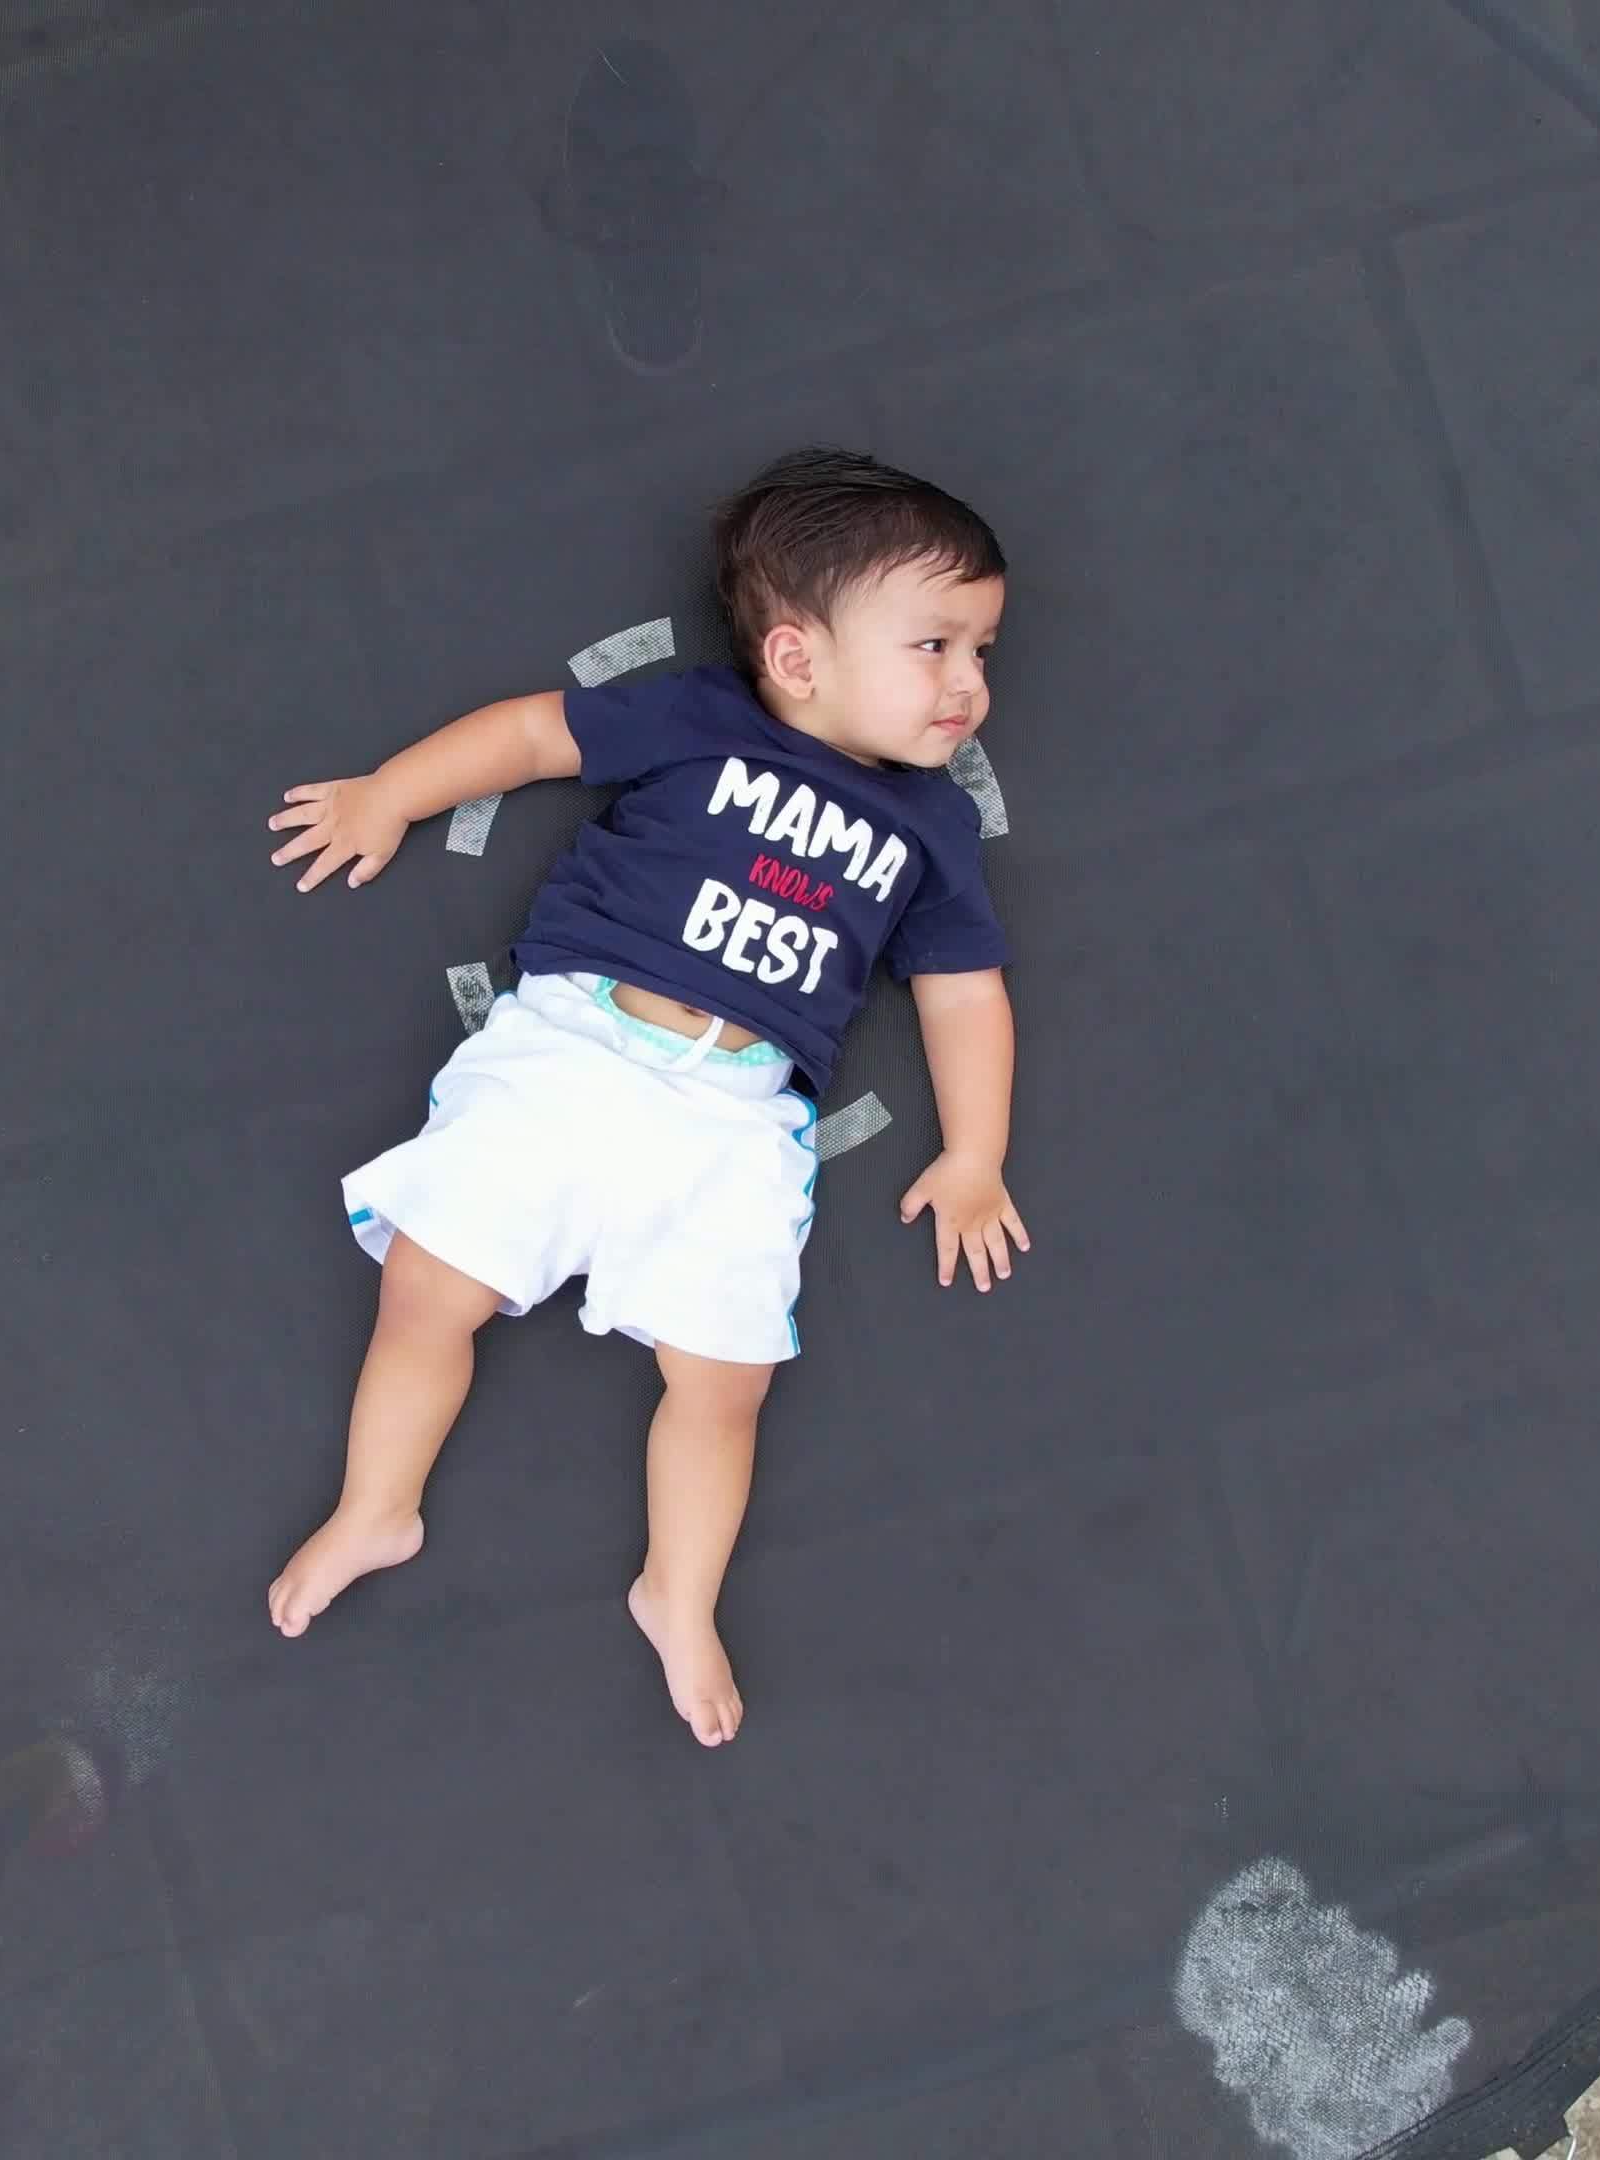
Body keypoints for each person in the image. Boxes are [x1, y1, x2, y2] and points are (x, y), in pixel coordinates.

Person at [261, 449, 1030, 1746]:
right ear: (797, 657)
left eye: (983, 651)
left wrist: (976, 1157)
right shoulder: (700, 720)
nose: (969, 684)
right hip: (573, 1052)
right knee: (428, 1289)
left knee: (725, 1381)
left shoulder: (930, 830)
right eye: (936, 645)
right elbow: (531, 735)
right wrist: (390, 795)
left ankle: (679, 1592)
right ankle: (373, 1509)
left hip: (735, 1119)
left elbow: (963, 991)